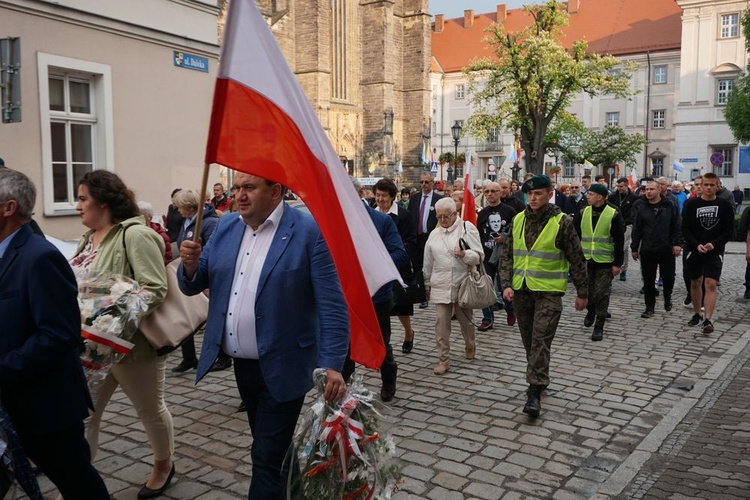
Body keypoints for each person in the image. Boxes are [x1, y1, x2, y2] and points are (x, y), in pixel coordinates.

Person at [177, 173, 349, 498]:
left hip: (286, 363)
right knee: (275, 450)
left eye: (249, 188)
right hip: (243, 365)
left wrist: (333, 364)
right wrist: (189, 265)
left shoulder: (308, 232)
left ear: (275, 191)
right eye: (237, 188)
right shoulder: (226, 228)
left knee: (265, 457)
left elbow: (332, 304)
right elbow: (195, 281)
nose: (239, 195)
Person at [0, 169, 109, 499]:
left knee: (77, 482)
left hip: (44, 405)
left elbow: (58, 336)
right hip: (11, 401)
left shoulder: (39, 257)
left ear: (9, 207)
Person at [69, 170, 173, 499]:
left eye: (83, 198)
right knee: (84, 416)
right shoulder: (87, 239)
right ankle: (77, 483)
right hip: (91, 348)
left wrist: (106, 316)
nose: (78, 205)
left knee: (150, 410)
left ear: (103, 200)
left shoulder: (134, 235)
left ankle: (164, 465)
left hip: (131, 347)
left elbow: (155, 288)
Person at [500, 175, 588, 419]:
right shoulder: (518, 219)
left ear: (550, 194)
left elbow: (577, 259)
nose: (533, 198)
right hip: (522, 291)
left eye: (538, 193)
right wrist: (506, 284)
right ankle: (540, 377)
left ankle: (533, 392)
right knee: (530, 341)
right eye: (530, 194)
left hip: (549, 292)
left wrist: (583, 293)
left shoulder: (562, 222)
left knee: (540, 340)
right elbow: (507, 255)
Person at [344, 180, 408, 401]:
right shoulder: (334, 222)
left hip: (376, 296)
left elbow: (400, 254)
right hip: (344, 297)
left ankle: (388, 379)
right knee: (344, 345)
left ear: (360, 193)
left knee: (380, 343)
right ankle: (346, 387)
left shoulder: (381, 221)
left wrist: (371, 261)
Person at [423, 198, 483, 375]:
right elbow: (428, 262)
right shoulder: (434, 234)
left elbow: (479, 256)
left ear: (455, 214)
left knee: (465, 321)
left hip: (463, 281)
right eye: (439, 216)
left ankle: (470, 345)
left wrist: (464, 254)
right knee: (441, 323)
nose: (442, 220)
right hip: (440, 282)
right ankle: (443, 359)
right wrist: (426, 285)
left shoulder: (467, 228)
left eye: (446, 216)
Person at [171, 189, 225, 373]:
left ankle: (223, 356)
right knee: (188, 317)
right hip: (188, 275)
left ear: (189, 206)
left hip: (204, 279)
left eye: (179, 205)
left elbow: (214, 253)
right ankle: (189, 357)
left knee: (210, 319)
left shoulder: (208, 223)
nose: (176, 209)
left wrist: (207, 282)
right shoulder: (187, 222)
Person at [681, 173, 735, 333]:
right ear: (701, 186)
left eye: (713, 185)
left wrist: (714, 244)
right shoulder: (691, 204)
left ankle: (708, 319)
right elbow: (685, 229)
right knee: (696, 282)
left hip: (714, 250)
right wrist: (696, 244)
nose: (709, 188)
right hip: (695, 250)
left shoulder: (724, 205)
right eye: (706, 185)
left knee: (710, 284)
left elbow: (729, 231)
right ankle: (697, 313)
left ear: (718, 186)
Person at [373, 179, 419, 354]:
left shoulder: (404, 215)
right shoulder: (371, 213)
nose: (380, 199)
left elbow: (410, 241)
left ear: (392, 196)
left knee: (400, 306)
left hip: (397, 266)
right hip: (376, 269)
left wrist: (390, 254)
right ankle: (385, 343)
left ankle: (408, 332)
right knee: (381, 307)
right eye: (377, 195)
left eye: (384, 195)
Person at [574, 184, 624, 341]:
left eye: (591, 194)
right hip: (586, 260)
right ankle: (591, 309)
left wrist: (617, 263)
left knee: (602, 293)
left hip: (605, 261)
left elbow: (619, 239)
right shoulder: (583, 212)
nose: (587, 196)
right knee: (586, 291)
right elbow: (575, 236)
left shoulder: (613, 213)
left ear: (600, 197)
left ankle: (599, 326)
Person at [630, 180, 682, 318]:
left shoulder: (669, 205)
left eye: (652, 189)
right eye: (647, 189)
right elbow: (637, 229)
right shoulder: (641, 207)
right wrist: (634, 247)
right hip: (648, 248)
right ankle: (649, 306)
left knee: (668, 277)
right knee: (648, 279)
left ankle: (667, 297)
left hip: (666, 247)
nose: (648, 192)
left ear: (659, 190)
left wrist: (677, 244)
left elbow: (677, 225)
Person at [476, 182, 517, 331]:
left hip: (504, 257)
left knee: (504, 287)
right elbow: (479, 234)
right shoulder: (482, 213)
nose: (490, 194)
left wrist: (504, 239)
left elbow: (516, 234)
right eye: (487, 191)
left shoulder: (509, 211)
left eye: (493, 191)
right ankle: (487, 318)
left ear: (500, 193)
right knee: (485, 288)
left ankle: (510, 310)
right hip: (487, 256)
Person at [409, 172, 443, 308]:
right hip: (416, 238)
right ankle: (421, 295)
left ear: (432, 183)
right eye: (422, 182)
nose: (424, 185)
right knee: (417, 267)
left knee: (430, 266)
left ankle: (433, 291)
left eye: (426, 182)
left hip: (431, 237)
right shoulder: (415, 198)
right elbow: (411, 217)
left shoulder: (438, 200)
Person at [609, 177, 637, 282]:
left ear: (626, 185)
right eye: (618, 186)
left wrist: (628, 221)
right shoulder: (613, 197)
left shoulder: (633, 197)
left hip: (627, 224)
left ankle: (623, 268)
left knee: (624, 247)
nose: (619, 188)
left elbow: (634, 212)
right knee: (613, 245)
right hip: (614, 223)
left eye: (621, 186)